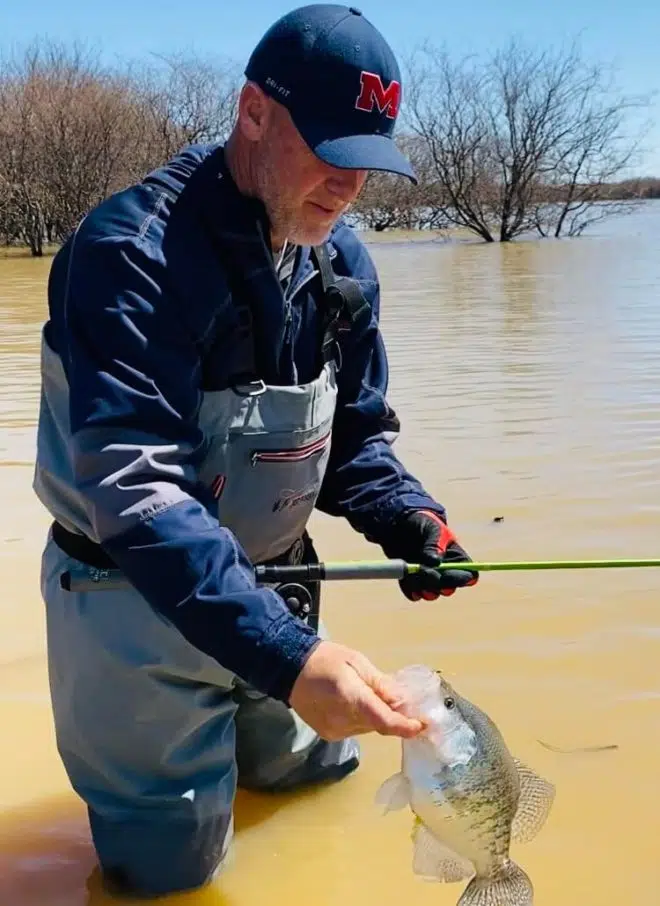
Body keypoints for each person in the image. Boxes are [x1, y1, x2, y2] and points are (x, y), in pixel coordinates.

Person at [32, 3, 479, 898]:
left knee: (316, 796)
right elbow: (136, 489)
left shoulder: (341, 259)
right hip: (131, 602)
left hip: (280, 587)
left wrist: (410, 518)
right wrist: (291, 659)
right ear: (253, 113)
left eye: (368, 161)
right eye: (330, 151)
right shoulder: (133, 254)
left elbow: (356, 435)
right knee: (169, 878)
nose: (349, 186)